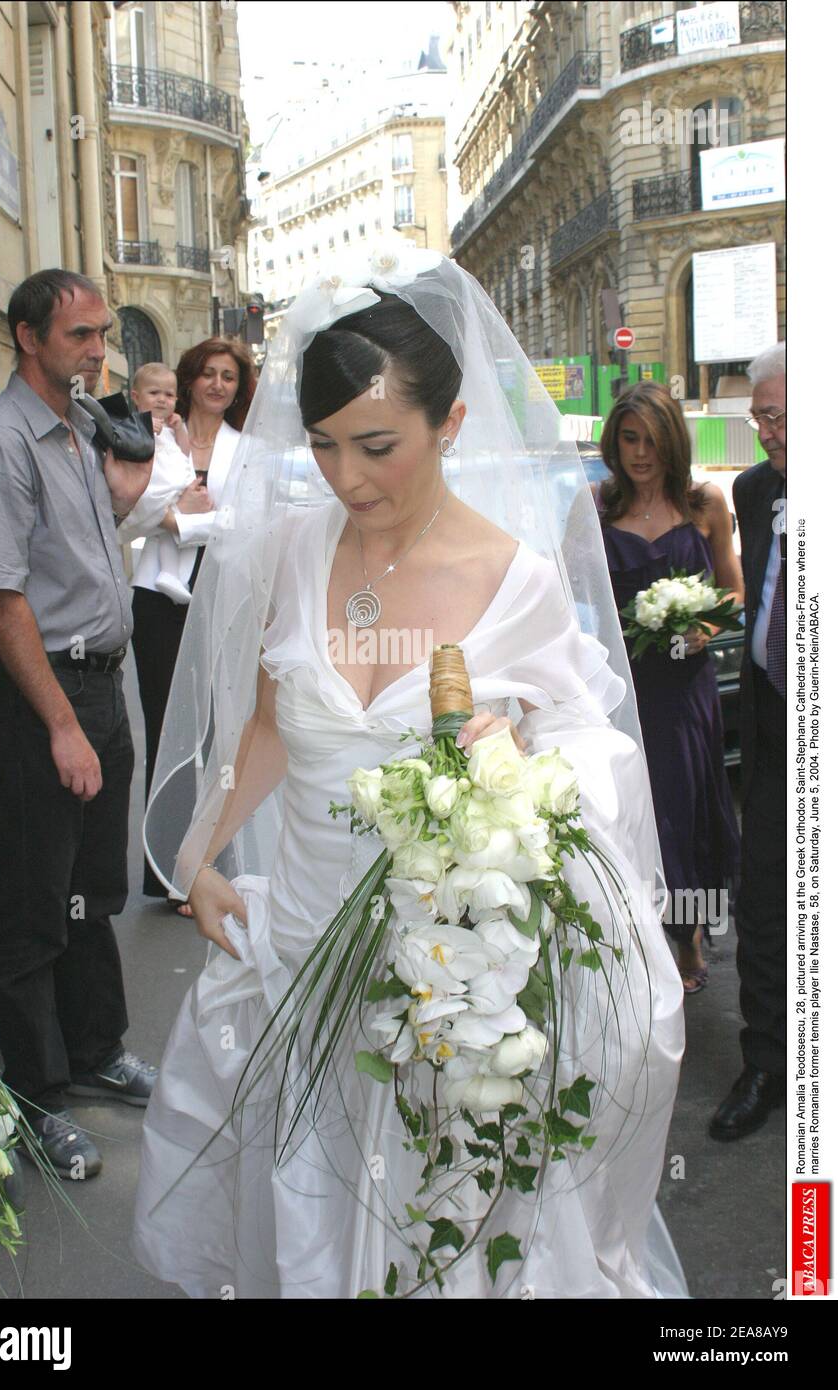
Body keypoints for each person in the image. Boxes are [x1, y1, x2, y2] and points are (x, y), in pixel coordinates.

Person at [131, 246, 686, 1298]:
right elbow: (265, 728)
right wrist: (194, 859)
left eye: (377, 445)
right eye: (329, 446)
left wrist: (517, 767)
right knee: (304, 1217)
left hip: (441, 979)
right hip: (294, 949)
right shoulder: (291, 551)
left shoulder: (514, 584)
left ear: (452, 425)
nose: (347, 478)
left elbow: (590, 754)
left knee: (437, 1231)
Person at [0, 268, 158, 1179]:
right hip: (37, 700)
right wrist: (64, 726)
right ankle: (40, 1099)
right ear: (28, 338)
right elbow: (0, 600)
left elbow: (69, 552)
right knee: (34, 906)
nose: (99, 351)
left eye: (102, 334)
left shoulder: (75, 427)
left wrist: (125, 493)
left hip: (96, 689)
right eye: (79, 336)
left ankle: (95, 1047)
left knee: (92, 890)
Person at [594, 383, 743, 994]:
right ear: (615, 440)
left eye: (653, 439)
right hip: (622, 690)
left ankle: (689, 935)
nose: (641, 452)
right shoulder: (597, 507)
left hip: (684, 693)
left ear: (672, 441)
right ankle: (642, 933)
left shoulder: (704, 503)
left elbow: (735, 590)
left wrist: (705, 627)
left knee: (685, 811)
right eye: (630, 438)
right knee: (631, 813)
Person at [117, 338, 257, 912]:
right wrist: (176, 517)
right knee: (165, 728)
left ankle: (208, 865)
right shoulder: (151, 441)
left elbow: (247, 524)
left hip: (220, 603)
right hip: (157, 604)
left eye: (229, 376)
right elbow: (126, 515)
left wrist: (180, 524)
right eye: (208, 374)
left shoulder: (246, 449)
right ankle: (168, 872)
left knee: (216, 736)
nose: (218, 384)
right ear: (189, 380)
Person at [710, 343, 786, 1141]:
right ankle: (765, 1063)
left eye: (775, 415)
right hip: (770, 734)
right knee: (762, 908)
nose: (762, 431)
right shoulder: (753, 487)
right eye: (757, 415)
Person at [127, 363, 196, 605]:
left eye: (168, 395)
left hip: (173, 482)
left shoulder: (170, 426)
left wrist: (180, 430)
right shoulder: (134, 423)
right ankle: (169, 572)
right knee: (171, 525)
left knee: (170, 532)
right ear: (136, 397)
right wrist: (144, 426)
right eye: (154, 393)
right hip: (156, 485)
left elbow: (184, 452)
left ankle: (170, 573)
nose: (161, 400)